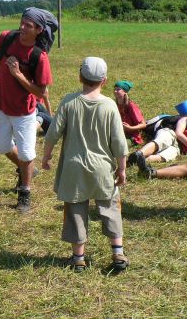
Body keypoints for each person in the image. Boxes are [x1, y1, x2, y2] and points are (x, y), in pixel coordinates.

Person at [42, 57, 129, 272]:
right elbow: (119, 142)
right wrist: (122, 168)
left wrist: (46, 157)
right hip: (102, 169)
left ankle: (78, 258)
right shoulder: (109, 105)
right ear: (105, 80)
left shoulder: (69, 101)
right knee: (110, 207)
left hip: (74, 168)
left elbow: (52, 133)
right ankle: (118, 253)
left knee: (75, 210)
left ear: (80, 76)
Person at [0, 7, 53, 212]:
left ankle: (25, 192)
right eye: (21, 22)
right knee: (2, 147)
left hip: (24, 113)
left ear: (38, 30)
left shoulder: (39, 57)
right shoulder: (6, 37)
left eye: (27, 25)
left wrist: (18, 75)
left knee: (27, 153)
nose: (21, 27)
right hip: (1, 106)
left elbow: (40, 93)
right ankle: (26, 169)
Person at [131, 107, 187, 172]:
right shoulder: (186, 119)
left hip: (179, 148)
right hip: (171, 133)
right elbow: (178, 133)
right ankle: (139, 153)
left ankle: (139, 160)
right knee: (161, 141)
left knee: (165, 156)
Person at [113, 80, 146, 146]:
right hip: (120, 133)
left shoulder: (131, 106)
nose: (115, 91)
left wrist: (130, 128)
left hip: (132, 136)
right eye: (114, 89)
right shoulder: (114, 104)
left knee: (118, 145)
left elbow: (143, 124)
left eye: (118, 89)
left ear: (125, 92)